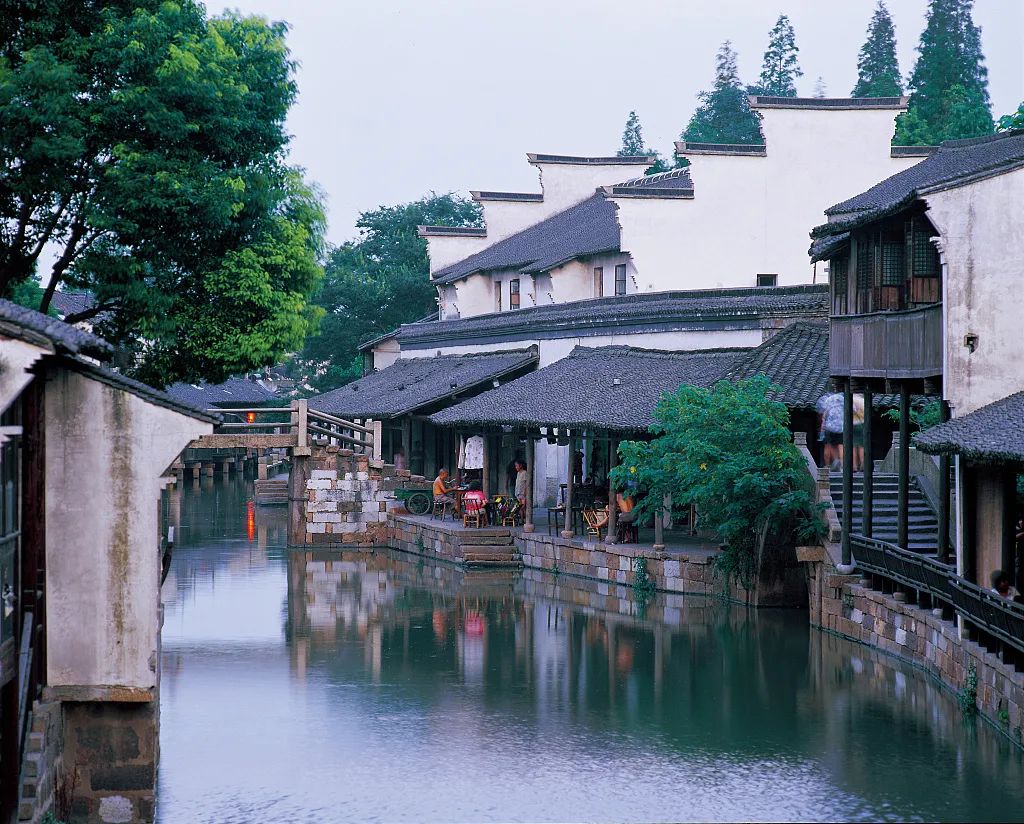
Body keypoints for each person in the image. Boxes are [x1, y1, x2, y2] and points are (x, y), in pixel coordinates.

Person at [816, 391, 845, 470]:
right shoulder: (843, 399)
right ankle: (842, 465)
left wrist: (822, 429)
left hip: (829, 427)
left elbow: (824, 416)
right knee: (841, 446)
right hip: (841, 427)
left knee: (828, 445)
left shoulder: (827, 399)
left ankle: (827, 465)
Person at [852, 393, 866, 471]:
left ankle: (854, 465)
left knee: (853, 446)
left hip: (852, 424)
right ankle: (862, 463)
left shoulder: (851, 399)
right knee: (861, 445)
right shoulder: (863, 400)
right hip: (861, 424)